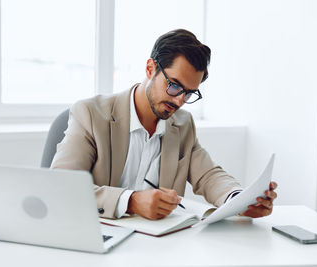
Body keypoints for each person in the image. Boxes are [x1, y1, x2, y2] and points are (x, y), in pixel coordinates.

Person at [51, 29, 277, 220]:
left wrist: (239, 200)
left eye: (189, 93)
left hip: (158, 247)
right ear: (150, 68)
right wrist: (130, 202)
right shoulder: (91, 114)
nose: (179, 101)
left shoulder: (183, 123)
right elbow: (61, 186)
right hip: (99, 240)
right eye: (174, 86)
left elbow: (208, 175)